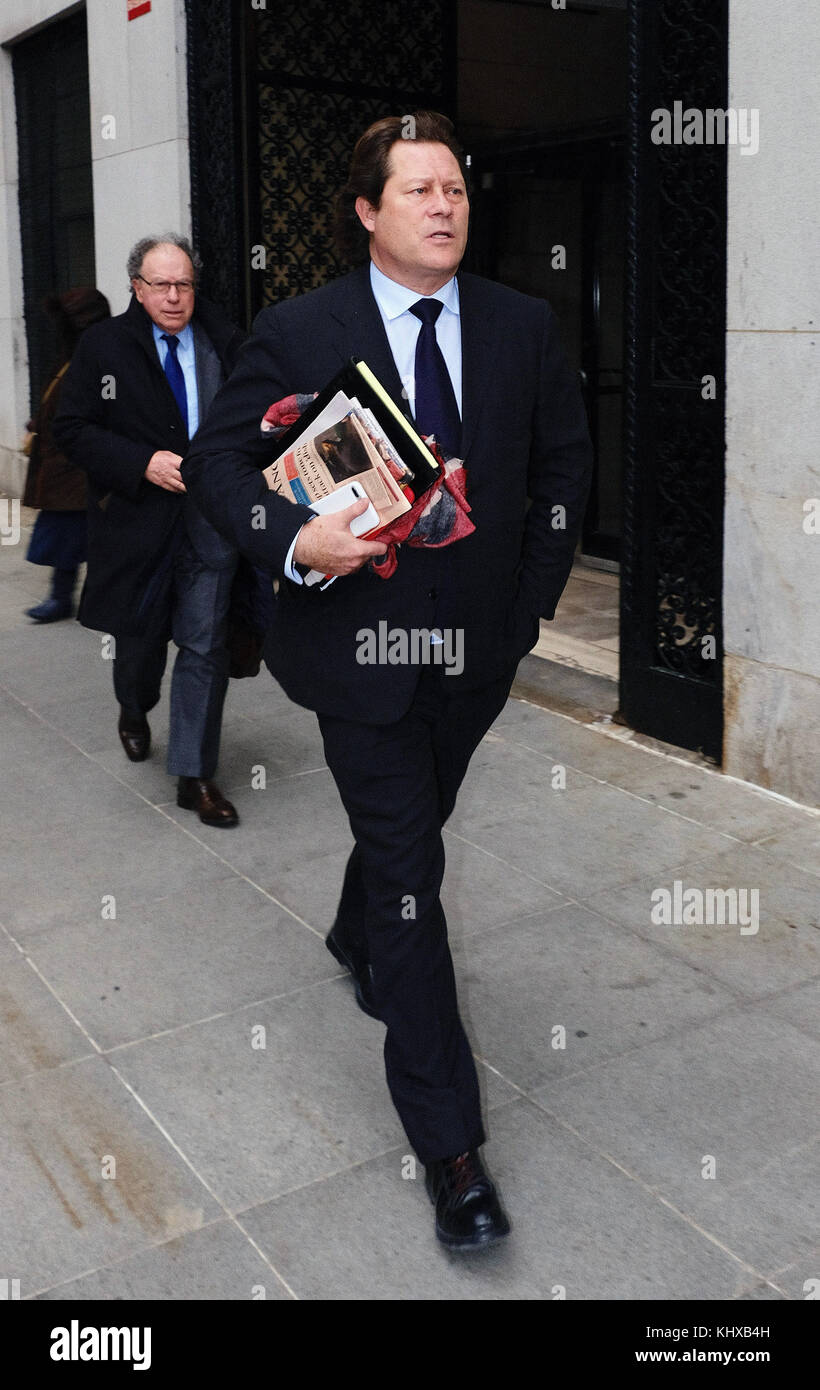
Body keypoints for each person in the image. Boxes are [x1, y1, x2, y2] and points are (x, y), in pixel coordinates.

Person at [182, 112, 593, 1248]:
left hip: (477, 652)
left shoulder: (519, 323)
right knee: (417, 870)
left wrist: (531, 603)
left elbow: (562, 461)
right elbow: (220, 461)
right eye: (417, 189)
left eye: (454, 186)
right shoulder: (299, 326)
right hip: (355, 656)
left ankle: (352, 927)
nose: (443, 205)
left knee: (414, 824)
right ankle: (450, 1147)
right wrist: (291, 538)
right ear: (367, 211)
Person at [53, 235, 246, 826]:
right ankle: (133, 708)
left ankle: (194, 775)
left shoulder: (224, 340)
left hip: (210, 524)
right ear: (136, 288)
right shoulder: (104, 347)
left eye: (183, 284)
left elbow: (255, 415)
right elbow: (72, 428)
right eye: (160, 285)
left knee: (204, 644)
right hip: (137, 524)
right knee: (139, 643)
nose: (173, 296)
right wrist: (142, 462)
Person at [22, 288, 111, 622]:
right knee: (69, 540)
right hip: (64, 472)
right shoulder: (74, 358)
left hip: (77, 471)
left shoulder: (92, 362)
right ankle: (63, 598)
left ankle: (67, 600)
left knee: (76, 539)